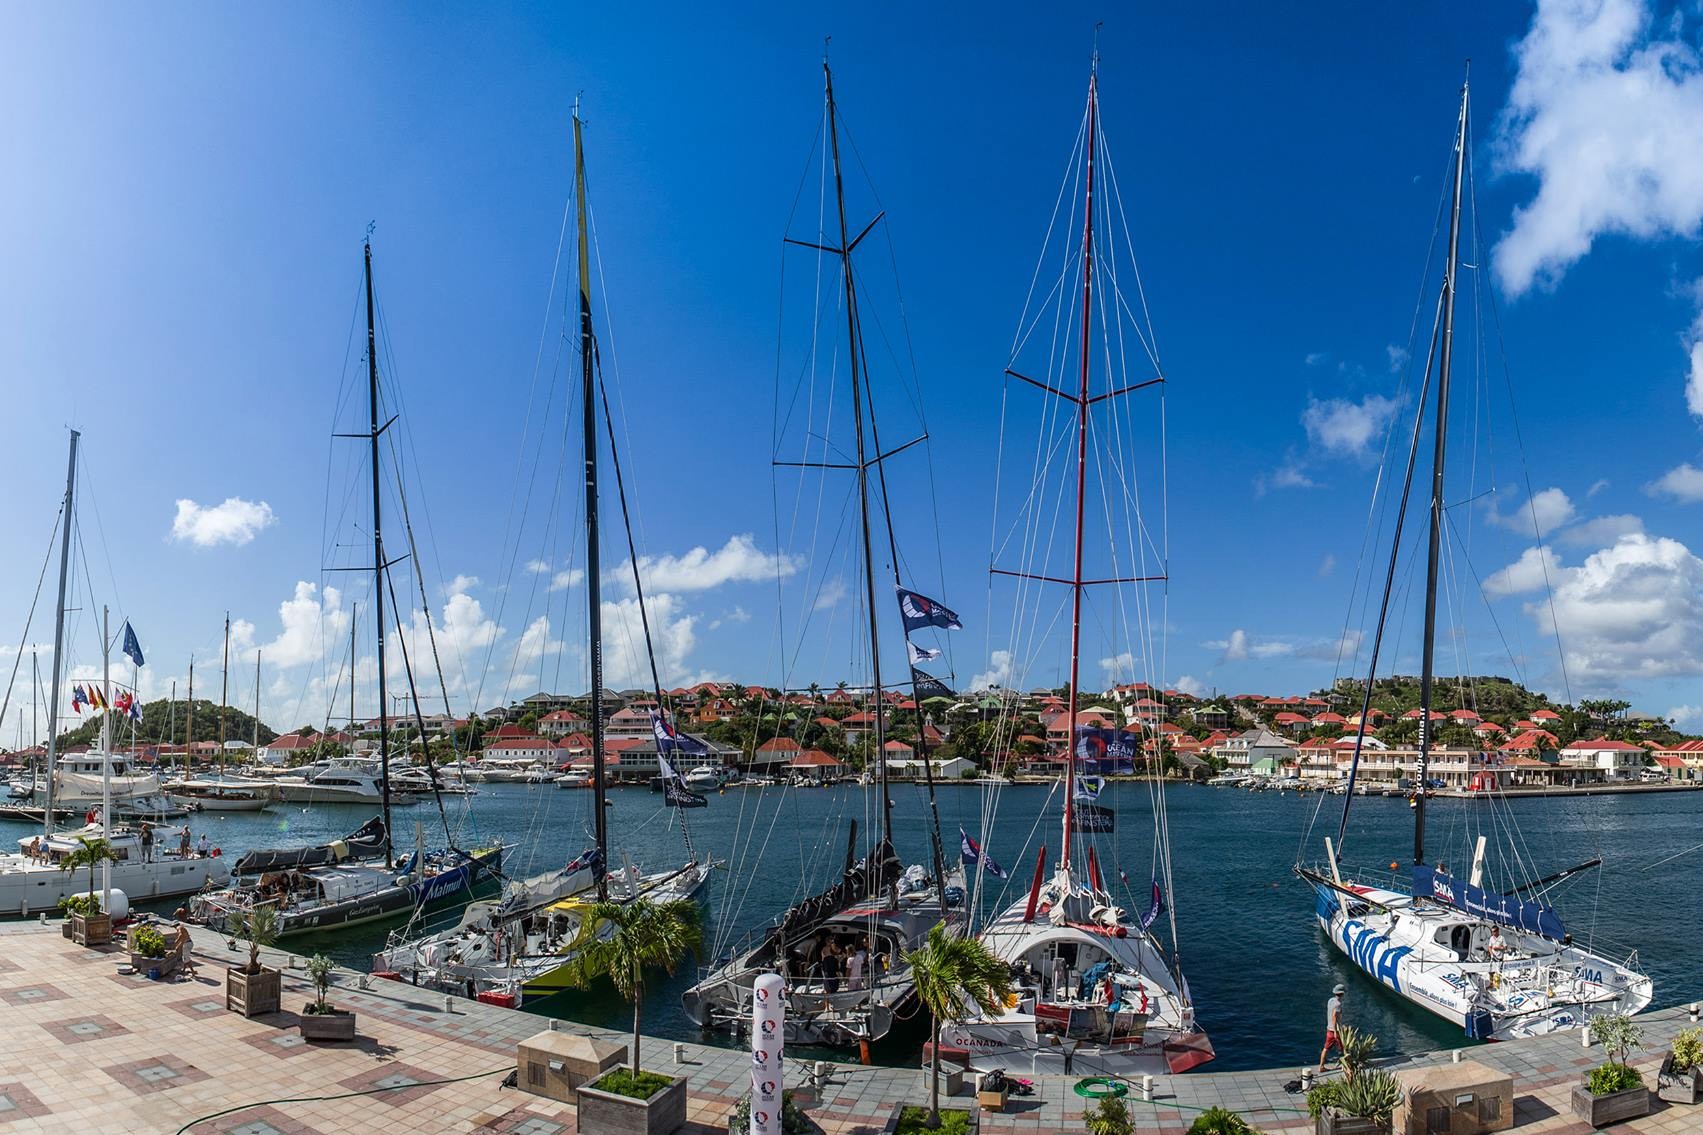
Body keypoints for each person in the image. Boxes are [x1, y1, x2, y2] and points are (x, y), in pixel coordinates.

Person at [1318, 984, 1346, 1072]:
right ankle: (1345, 1066)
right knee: (1344, 1048)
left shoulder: (1330, 1000)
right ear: (1342, 993)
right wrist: (1335, 1031)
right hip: (1335, 1030)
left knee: (1325, 1048)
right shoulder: (1338, 1004)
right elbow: (1334, 1017)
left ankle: (1321, 1067)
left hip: (1329, 1028)